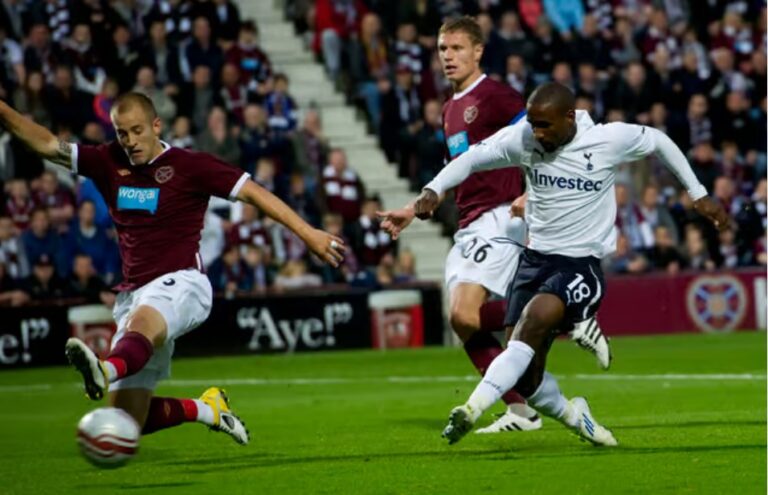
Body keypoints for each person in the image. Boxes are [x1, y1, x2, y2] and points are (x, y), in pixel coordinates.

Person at [0, 92, 345, 446]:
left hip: (183, 283)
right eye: (122, 133)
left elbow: (254, 192)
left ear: (156, 125)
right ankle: (208, 409)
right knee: (128, 420)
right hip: (134, 294)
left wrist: (309, 234)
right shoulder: (107, 160)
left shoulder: (189, 165)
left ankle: (104, 368)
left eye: (137, 131)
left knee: (141, 326)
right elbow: (46, 144)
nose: (130, 141)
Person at [408, 82, 728, 446]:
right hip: (534, 262)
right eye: (533, 123)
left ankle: (471, 409)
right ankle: (577, 416)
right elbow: (472, 158)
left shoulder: (607, 140)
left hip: (579, 266)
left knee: (535, 321)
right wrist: (434, 189)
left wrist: (699, 194)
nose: (537, 133)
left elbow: (658, 141)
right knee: (526, 378)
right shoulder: (525, 138)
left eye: (545, 125)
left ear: (569, 118)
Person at [377, 17, 611, 434]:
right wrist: (415, 208)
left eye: (457, 48)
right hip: (471, 222)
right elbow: (464, 165)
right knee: (467, 321)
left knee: (465, 314)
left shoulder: (496, 96)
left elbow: (549, 136)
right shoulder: (451, 109)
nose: (448, 56)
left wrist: (530, 193)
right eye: (442, 49)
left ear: (478, 50)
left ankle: (566, 321)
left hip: (502, 216)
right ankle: (523, 406)